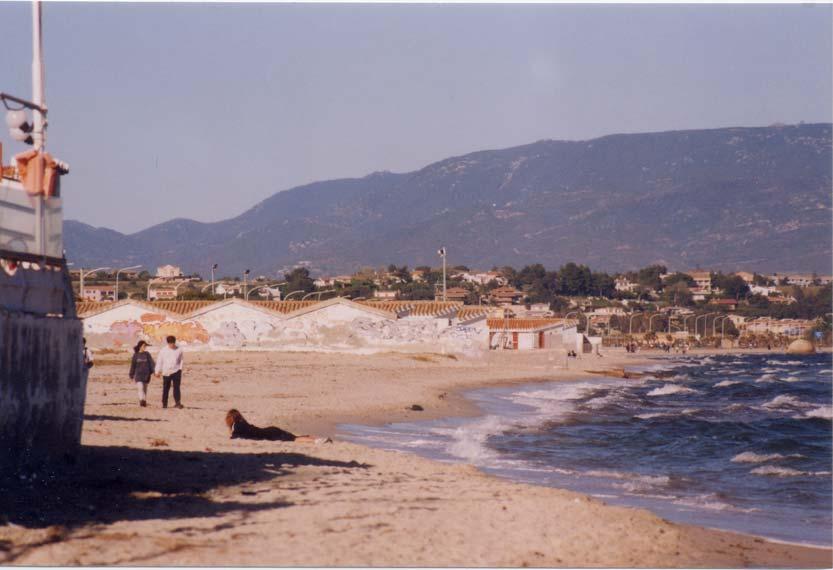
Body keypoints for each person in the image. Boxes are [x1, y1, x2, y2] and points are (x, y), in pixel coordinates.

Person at [155, 335, 184, 409]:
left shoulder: (179, 350)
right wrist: (157, 371)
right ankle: (164, 404)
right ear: (168, 343)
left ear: (175, 342)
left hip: (176, 371)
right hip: (166, 372)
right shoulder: (163, 350)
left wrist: (180, 369)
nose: (172, 345)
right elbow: (159, 361)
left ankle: (178, 403)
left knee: (176, 387)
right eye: (170, 343)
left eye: (173, 343)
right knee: (166, 388)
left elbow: (181, 360)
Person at [129, 340, 155, 407]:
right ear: (140, 346)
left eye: (145, 346)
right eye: (144, 346)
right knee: (140, 388)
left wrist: (154, 371)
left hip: (146, 374)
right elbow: (133, 365)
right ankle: (141, 400)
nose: (145, 347)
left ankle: (144, 400)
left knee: (145, 388)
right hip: (138, 375)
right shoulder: (135, 355)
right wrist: (131, 374)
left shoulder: (147, 354)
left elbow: (152, 363)